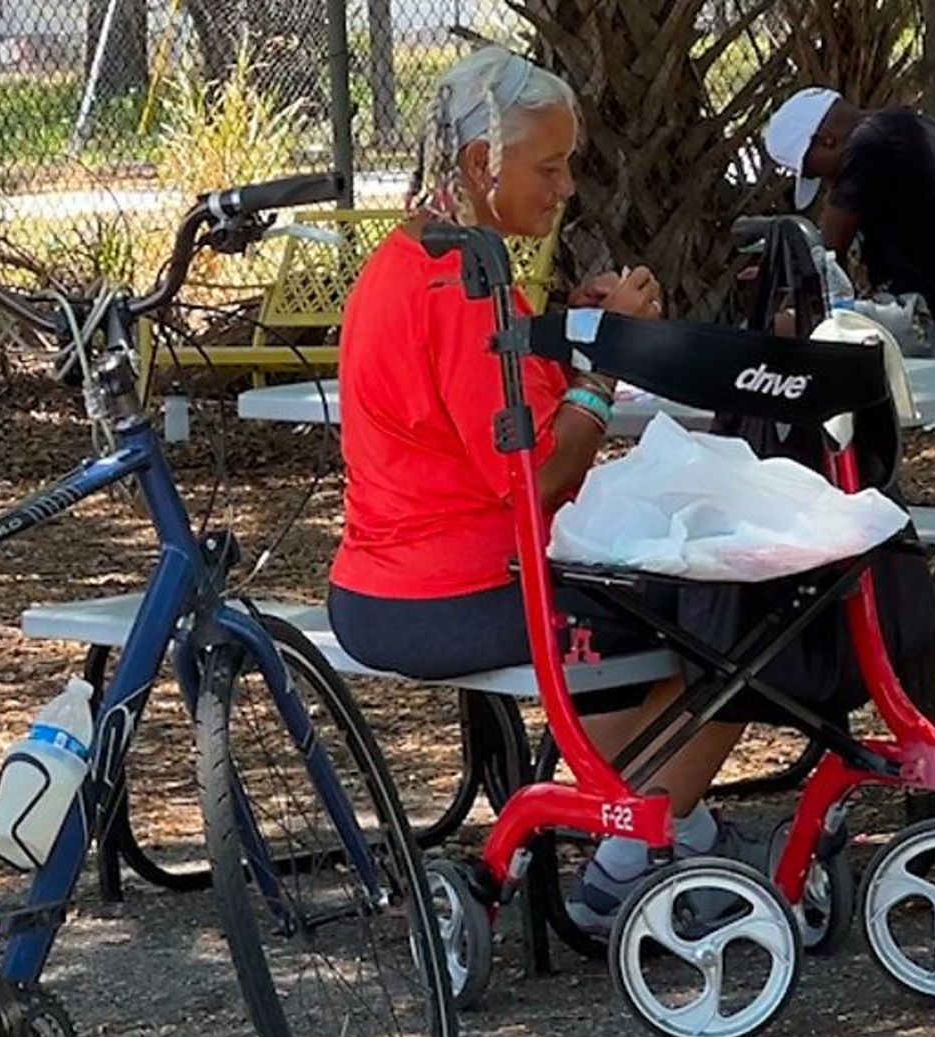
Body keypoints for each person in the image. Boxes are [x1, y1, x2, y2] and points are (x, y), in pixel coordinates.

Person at [325, 47, 771, 928]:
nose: (566, 188)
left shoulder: (419, 259)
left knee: (651, 604)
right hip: (459, 588)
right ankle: (635, 852)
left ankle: (673, 826)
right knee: (748, 613)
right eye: (551, 166)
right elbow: (536, 475)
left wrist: (572, 333)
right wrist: (603, 367)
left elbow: (498, 407)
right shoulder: (461, 286)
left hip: (397, 581)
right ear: (480, 164)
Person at [761, 86, 935, 360]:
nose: (828, 185)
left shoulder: (868, 143)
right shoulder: (923, 128)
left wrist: (783, 277)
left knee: (786, 324)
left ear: (827, 141)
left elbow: (825, 257)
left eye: (815, 172)